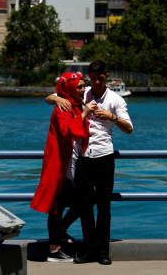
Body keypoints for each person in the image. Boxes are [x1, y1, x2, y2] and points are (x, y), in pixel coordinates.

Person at [46, 60, 133, 265]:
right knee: (85, 206)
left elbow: (129, 128)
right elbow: (51, 97)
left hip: (104, 156)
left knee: (103, 207)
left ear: (107, 76)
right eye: (92, 78)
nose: (95, 82)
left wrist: (111, 117)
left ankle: (103, 251)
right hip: (83, 156)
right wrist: (56, 100)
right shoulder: (82, 93)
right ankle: (89, 249)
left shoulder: (116, 100)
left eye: (99, 78)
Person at [31, 72, 95, 262]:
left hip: (73, 163)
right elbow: (68, 131)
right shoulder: (64, 107)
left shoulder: (74, 103)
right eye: (79, 87)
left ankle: (61, 231)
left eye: (84, 86)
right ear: (69, 89)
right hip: (60, 164)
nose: (83, 90)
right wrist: (83, 114)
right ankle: (54, 248)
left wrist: (55, 97)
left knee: (87, 198)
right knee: (56, 205)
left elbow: (52, 95)